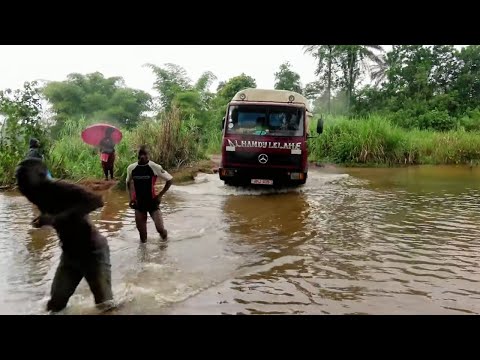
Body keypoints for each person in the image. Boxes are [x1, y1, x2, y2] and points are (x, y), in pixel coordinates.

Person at [15, 158, 114, 313]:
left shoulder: (60, 187)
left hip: (93, 252)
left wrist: (55, 219)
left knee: (105, 306)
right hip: (70, 254)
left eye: (24, 183)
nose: (21, 188)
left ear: (39, 178)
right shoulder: (37, 195)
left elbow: (96, 201)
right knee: (54, 306)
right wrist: (44, 220)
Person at [126, 146, 173, 243]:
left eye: (145, 154)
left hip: (152, 202)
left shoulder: (154, 167)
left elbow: (170, 179)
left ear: (149, 156)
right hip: (139, 204)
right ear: (137, 156)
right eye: (140, 154)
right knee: (142, 237)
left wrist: (160, 195)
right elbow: (128, 182)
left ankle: (165, 245)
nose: (142, 157)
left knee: (160, 229)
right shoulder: (131, 168)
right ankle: (144, 256)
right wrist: (131, 198)